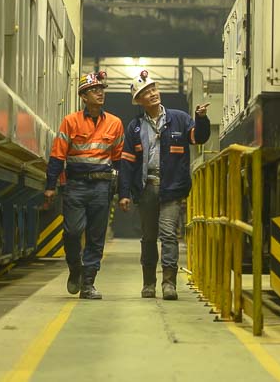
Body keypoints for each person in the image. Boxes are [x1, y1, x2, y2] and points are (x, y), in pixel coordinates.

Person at [118, 70, 210, 300]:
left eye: (154, 89)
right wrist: (124, 193)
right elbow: (127, 162)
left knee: (168, 234)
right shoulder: (135, 127)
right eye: (146, 92)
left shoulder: (179, 118)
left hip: (171, 187)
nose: (153, 94)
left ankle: (169, 284)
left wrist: (201, 119)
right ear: (139, 100)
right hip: (146, 187)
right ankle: (148, 283)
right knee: (149, 237)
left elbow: (198, 138)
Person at [44, 71, 124, 299]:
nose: (100, 93)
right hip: (75, 185)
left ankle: (88, 284)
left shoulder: (115, 123)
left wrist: (123, 191)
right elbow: (57, 155)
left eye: (101, 89)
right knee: (72, 232)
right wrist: (50, 185)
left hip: (102, 187)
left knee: (96, 237)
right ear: (83, 96)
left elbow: (119, 160)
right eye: (94, 90)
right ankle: (75, 268)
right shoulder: (70, 121)